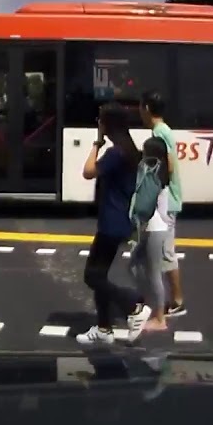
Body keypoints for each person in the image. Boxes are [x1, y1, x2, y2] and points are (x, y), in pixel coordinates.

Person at [77, 103, 153, 345]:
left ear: (107, 124)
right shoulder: (129, 150)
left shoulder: (115, 153)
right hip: (119, 220)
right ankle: (104, 328)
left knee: (92, 276)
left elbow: (88, 171)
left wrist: (96, 143)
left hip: (111, 222)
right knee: (100, 274)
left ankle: (134, 305)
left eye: (101, 121)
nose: (99, 124)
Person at [141, 93, 185, 317]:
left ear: (147, 108)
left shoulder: (160, 132)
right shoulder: (163, 130)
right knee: (157, 251)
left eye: (141, 107)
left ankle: (176, 301)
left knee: (166, 252)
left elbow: (166, 166)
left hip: (165, 199)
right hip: (167, 197)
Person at [126, 136, 173, 333]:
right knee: (134, 265)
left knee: (153, 273)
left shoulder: (151, 170)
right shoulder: (161, 170)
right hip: (152, 227)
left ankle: (160, 318)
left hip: (155, 228)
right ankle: (146, 305)